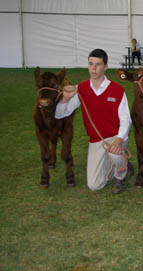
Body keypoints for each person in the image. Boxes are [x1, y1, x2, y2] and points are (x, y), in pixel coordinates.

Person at [55, 49, 132, 194]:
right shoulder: (81, 89)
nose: (93, 68)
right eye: (91, 64)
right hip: (96, 140)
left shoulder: (117, 90)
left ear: (106, 66)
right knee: (94, 185)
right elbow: (60, 114)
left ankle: (121, 175)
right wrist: (65, 98)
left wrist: (119, 139)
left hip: (115, 137)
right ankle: (118, 163)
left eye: (98, 64)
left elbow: (125, 118)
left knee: (115, 154)